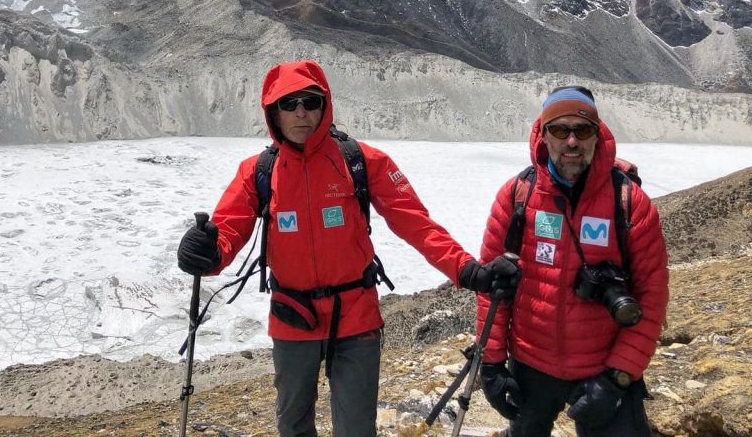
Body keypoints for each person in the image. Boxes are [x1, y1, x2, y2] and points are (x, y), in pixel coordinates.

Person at [177, 59, 520, 437]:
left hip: (355, 315)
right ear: (273, 112)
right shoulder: (258, 172)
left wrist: (465, 269)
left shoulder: (361, 161)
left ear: (326, 105)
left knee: (356, 429)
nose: (301, 112)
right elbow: (227, 234)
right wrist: (206, 255)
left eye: (311, 101)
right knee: (292, 425)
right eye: (288, 104)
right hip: (293, 317)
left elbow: (416, 223)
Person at [475, 86, 668, 437]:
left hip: (603, 365)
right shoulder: (518, 195)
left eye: (583, 130)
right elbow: (492, 286)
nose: (572, 142)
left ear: (598, 134)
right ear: (543, 135)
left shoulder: (629, 203)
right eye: (560, 130)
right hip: (531, 364)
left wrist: (618, 376)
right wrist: (490, 365)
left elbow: (651, 298)